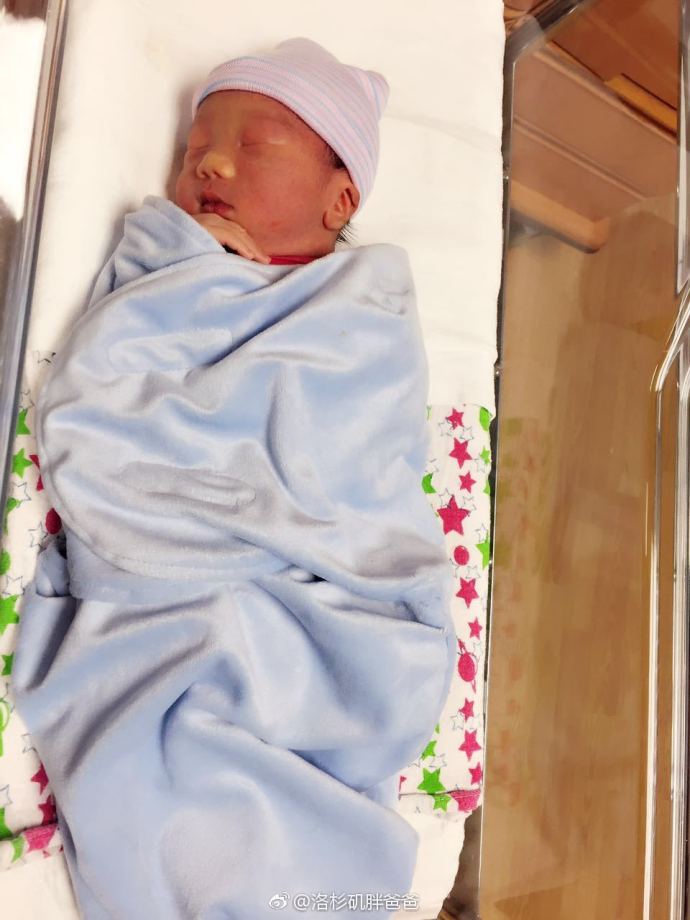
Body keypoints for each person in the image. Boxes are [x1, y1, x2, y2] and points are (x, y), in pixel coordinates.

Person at [174, 36, 388, 265]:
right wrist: (176, 240)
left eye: (255, 144)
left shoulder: (359, 279)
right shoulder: (164, 246)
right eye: (197, 146)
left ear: (339, 203)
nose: (211, 162)